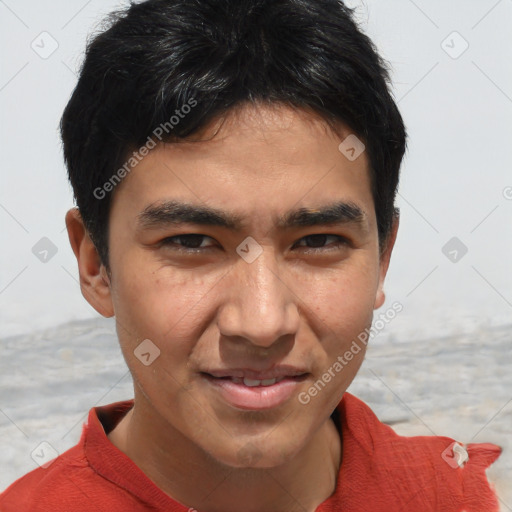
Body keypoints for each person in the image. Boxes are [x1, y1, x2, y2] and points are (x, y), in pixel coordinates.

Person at [0, 0, 502, 510]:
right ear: (94, 264)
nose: (262, 323)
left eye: (318, 241)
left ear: (383, 257)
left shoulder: (445, 494)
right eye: (192, 242)